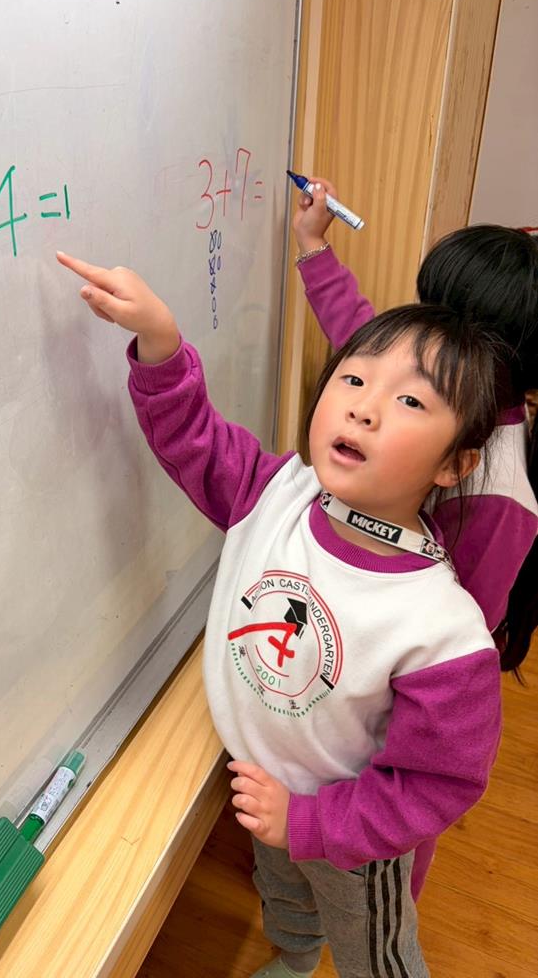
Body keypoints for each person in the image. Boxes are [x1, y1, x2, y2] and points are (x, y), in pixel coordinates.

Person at [56, 249, 506, 978]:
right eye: (353, 377)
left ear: (454, 464)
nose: (362, 406)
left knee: (373, 951)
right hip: (262, 787)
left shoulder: (441, 632)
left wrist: (309, 821)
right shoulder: (276, 495)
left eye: (410, 402)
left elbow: (436, 784)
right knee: (284, 896)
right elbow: (195, 440)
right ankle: (295, 959)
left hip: (354, 835)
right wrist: (161, 345)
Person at [292, 180, 538, 673]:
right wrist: (312, 243)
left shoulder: (502, 500)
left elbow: (460, 645)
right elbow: (356, 329)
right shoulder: (442, 374)